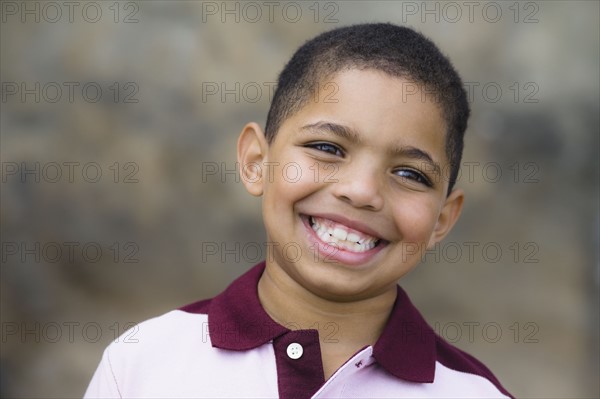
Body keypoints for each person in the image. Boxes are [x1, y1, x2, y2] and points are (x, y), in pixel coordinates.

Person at [84, 23, 513, 398]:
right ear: (256, 162)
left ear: (442, 220)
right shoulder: (144, 365)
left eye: (410, 174)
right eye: (327, 148)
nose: (362, 192)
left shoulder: (472, 392)